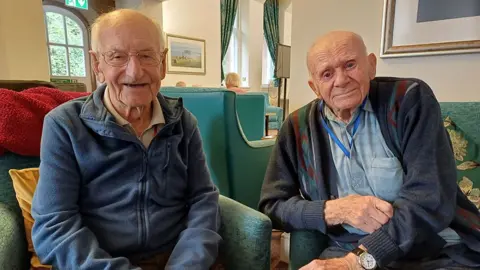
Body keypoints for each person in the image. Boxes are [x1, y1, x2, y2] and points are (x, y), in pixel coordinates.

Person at [259, 31, 480, 270]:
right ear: (315, 86)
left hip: (434, 251)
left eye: (350, 65)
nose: (341, 80)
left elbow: (430, 198)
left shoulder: (410, 100)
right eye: (327, 73)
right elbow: (273, 205)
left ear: (371, 66)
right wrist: (331, 210)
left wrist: (357, 261)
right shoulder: (296, 127)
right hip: (348, 247)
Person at [31, 9, 221, 270]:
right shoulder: (65, 125)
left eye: (146, 55)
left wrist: (187, 264)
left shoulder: (183, 123)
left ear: (163, 64)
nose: (135, 72)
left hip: (176, 259)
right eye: (117, 57)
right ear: (97, 65)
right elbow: (55, 225)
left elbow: (203, 199)